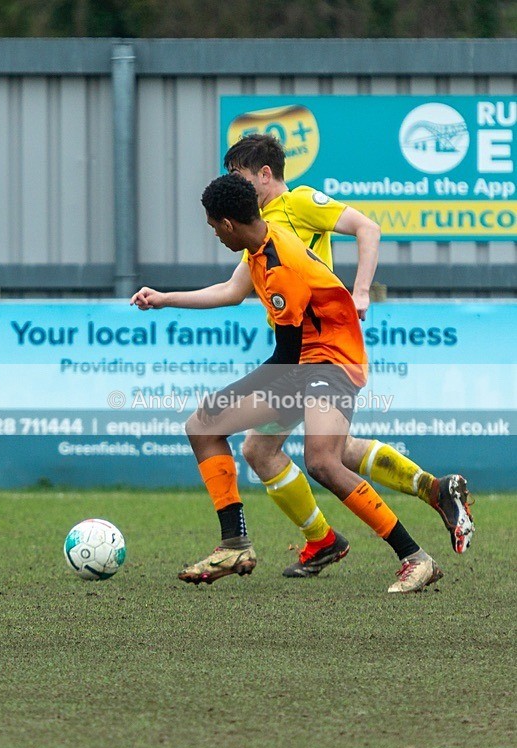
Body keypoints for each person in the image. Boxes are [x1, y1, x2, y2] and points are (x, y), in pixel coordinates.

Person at [130, 134, 474, 579]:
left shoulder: (287, 234)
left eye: (215, 224)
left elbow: (288, 353)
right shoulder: (262, 237)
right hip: (305, 352)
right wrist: (163, 299)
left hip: (327, 356)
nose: (214, 233)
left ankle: (411, 555)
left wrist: (362, 291)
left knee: (322, 459)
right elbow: (234, 292)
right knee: (260, 444)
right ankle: (285, 541)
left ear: (235, 216)